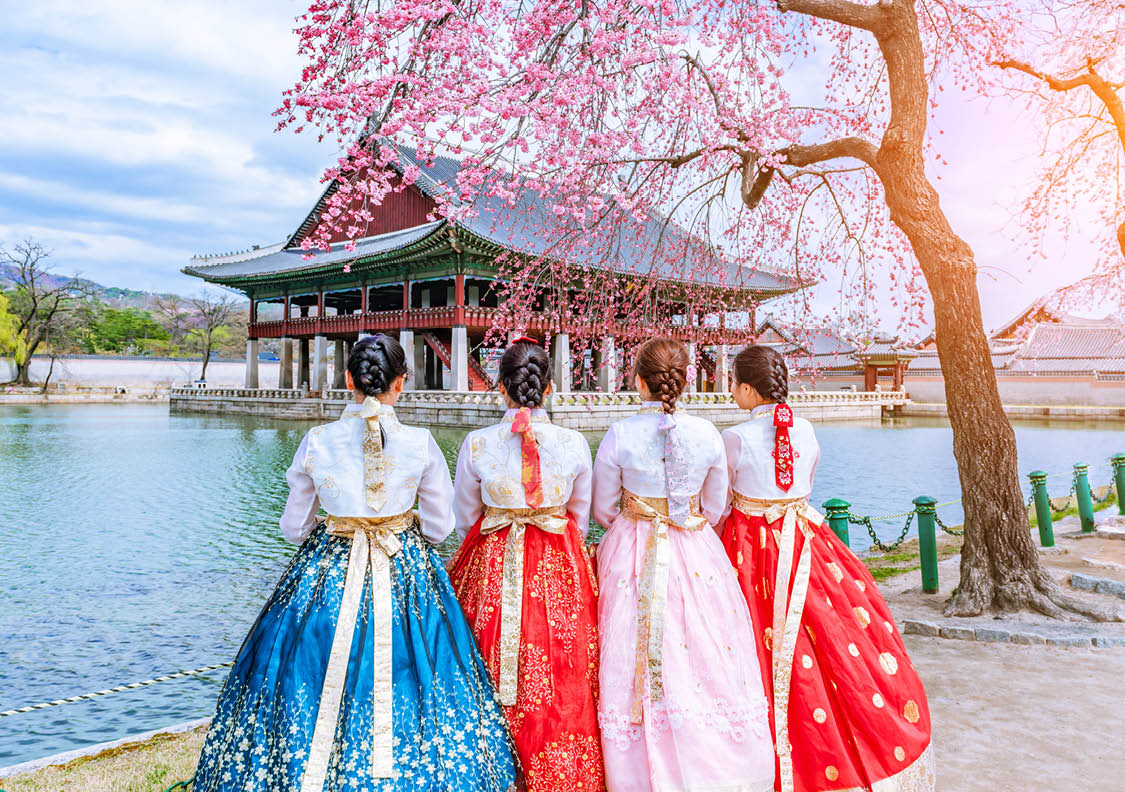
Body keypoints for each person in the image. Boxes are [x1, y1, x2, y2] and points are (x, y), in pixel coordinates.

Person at [193, 334, 519, 792]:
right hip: (402, 563)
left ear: (349, 380)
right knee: (416, 671)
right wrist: (399, 531)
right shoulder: (421, 442)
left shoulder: (317, 439)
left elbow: (293, 527)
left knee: (311, 668)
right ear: (401, 383)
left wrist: (338, 526)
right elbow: (441, 526)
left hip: (330, 566)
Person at [721, 344, 935, 792]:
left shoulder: (735, 437)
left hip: (751, 550)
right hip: (807, 544)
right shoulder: (807, 430)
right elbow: (806, 485)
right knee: (832, 637)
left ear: (745, 388)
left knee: (750, 643)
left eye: (732, 381)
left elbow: (721, 504)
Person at [591, 337, 775, 792]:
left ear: (637, 381)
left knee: (629, 650)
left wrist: (636, 519)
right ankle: (714, 760)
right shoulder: (709, 433)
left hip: (633, 547)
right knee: (702, 647)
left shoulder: (620, 433)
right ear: (687, 379)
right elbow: (716, 506)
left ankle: (634, 767)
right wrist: (685, 522)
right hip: (695, 549)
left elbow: (601, 507)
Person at [448, 337, 605, 791]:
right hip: (558, 558)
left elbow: (465, 518)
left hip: (492, 557)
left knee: (484, 657)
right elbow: (580, 513)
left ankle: (488, 769)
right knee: (563, 664)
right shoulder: (574, 442)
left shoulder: (477, 443)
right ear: (550, 388)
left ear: (500, 389)